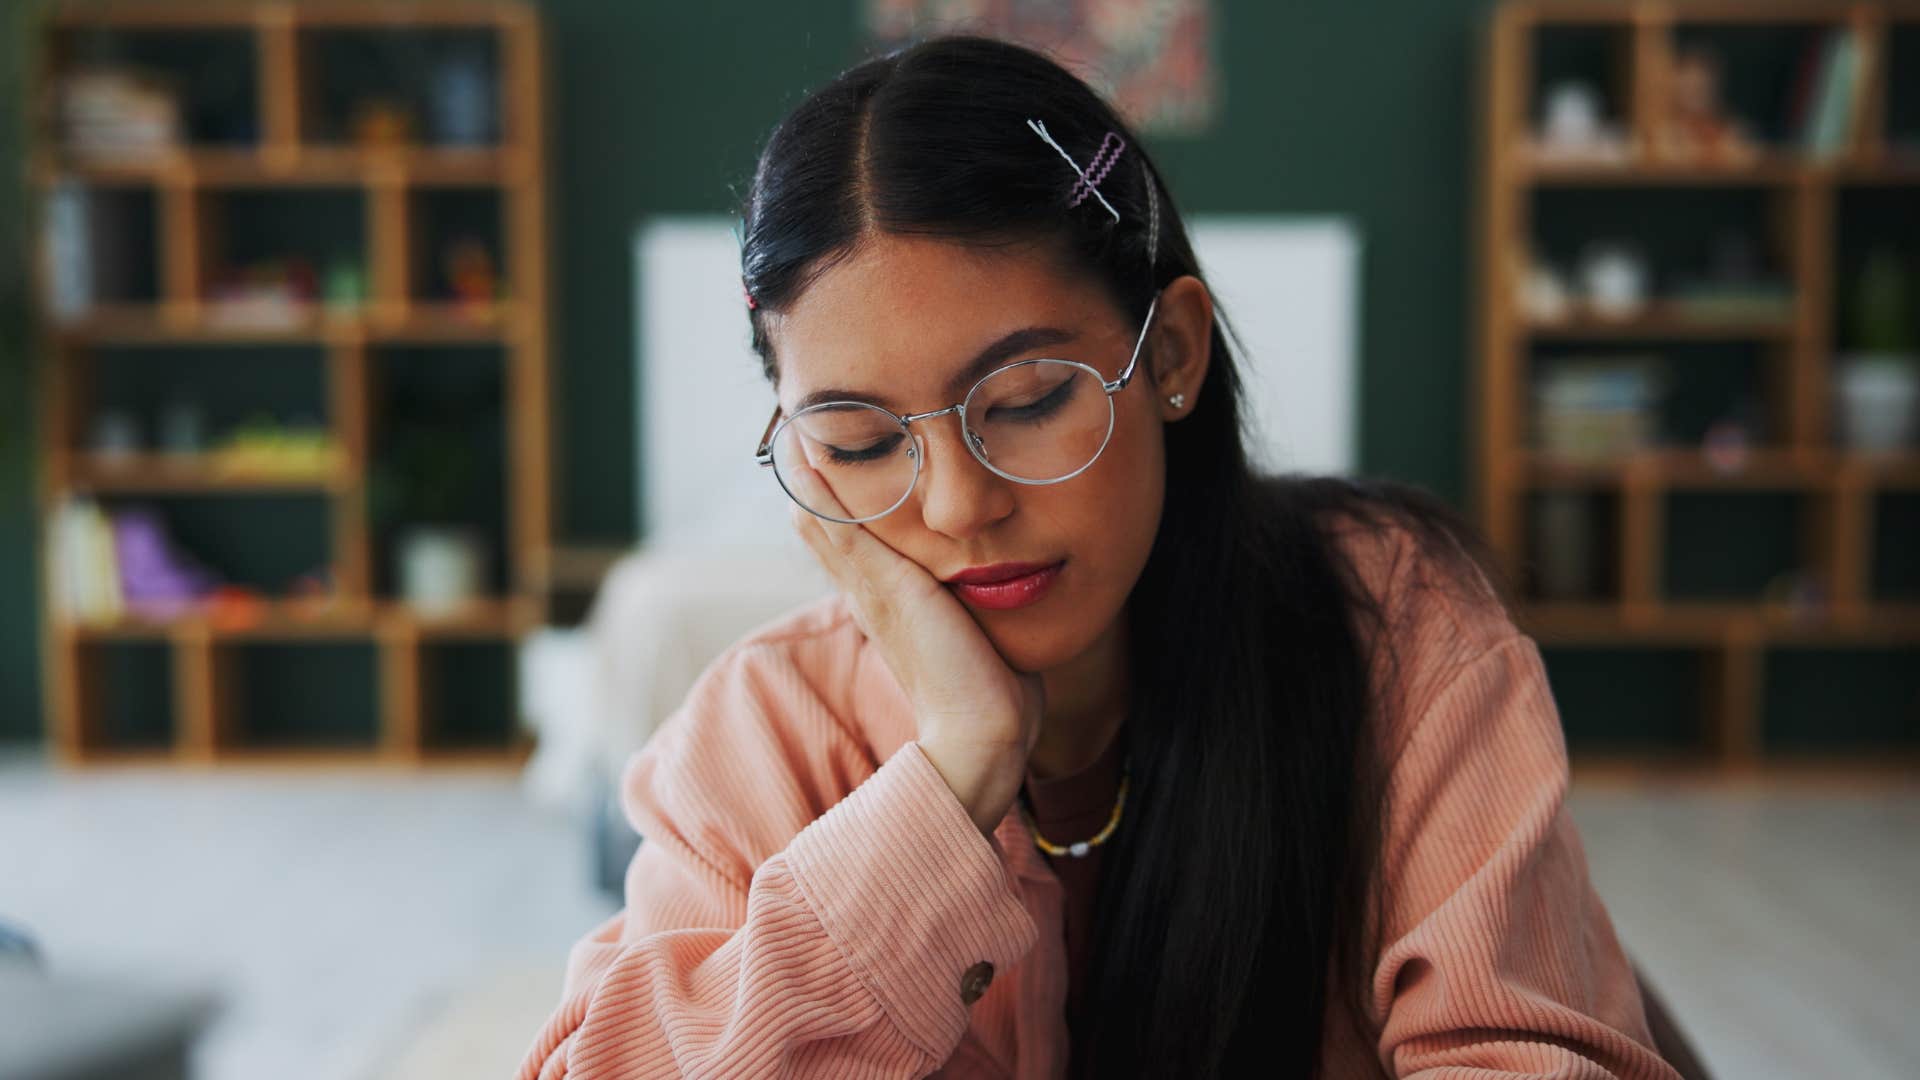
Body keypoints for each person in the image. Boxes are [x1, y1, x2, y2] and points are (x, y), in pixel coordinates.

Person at [518, 34, 1684, 1080]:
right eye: (863, 442)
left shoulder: (1395, 625)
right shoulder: (766, 731)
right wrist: (954, 775)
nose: (963, 506)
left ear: (1171, 352)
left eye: (1027, 402)